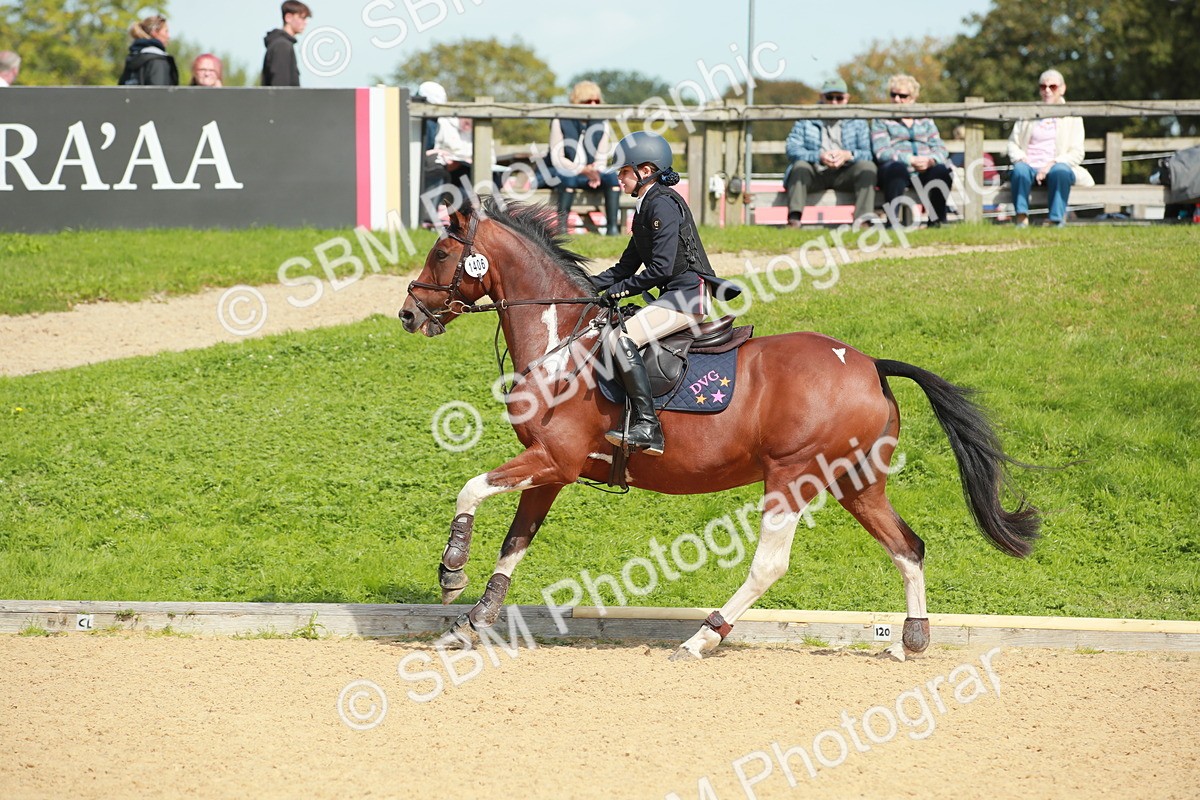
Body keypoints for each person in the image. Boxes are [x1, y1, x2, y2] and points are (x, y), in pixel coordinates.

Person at [590, 131, 737, 456]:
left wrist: (616, 293)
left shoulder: (664, 205)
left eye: (624, 172)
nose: (619, 179)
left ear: (645, 170)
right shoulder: (645, 208)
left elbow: (658, 269)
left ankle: (647, 426)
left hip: (688, 296)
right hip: (674, 294)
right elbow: (625, 267)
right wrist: (587, 286)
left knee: (620, 339)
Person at [782, 77, 877, 226]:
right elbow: (792, 149)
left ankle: (863, 221)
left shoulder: (858, 120)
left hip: (846, 173)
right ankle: (794, 219)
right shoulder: (806, 118)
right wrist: (818, 156)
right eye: (829, 97)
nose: (834, 102)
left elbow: (868, 153)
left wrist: (847, 155)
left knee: (867, 167)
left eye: (839, 98)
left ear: (847, 98)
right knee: (800, 166)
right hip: (815, 172)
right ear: (821, 97)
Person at [1006, 69, 1094, 228]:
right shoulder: (1029, 114)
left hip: (1056, 167)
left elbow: (1077, 152)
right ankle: (1021, 218)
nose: (1047, 90)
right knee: (1019, 170)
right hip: (1029, 166)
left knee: (1060, 170)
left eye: (1052, 87)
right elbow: (1013, 143)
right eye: (1043, 86)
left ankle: (1056, 219)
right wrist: (1021, 157)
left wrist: (1052, 163)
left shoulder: (1072, 116)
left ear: (1062, 89)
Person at [871, 74, 953, 226]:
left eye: (902, 96)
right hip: (895, 169)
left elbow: (940, 147)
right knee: (896, 169)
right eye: (893, 95)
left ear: (913, 97)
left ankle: (938, 221)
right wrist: (909, 159)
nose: (897, 99)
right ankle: (893, 222)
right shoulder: (882, 118)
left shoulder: (925, 118)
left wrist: (931, 160)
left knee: (941, 171)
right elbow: (881, 151)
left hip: (924, 168)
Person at [547, 81, 622, 235]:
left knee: (612, 178)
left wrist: (595, 171)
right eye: (589, 101)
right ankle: (562, 228)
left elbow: (601, 157)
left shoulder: (602, 122)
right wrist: (581, 169)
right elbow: (557, 158)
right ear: (578, 101)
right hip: (563, 172)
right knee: (568, 178)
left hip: (591, 173)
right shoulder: (560, 120)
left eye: (597, 101)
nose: (594, 104)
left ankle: (612, 228)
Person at [418, 80, 473, 224]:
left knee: (468, 173)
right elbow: (430, 147)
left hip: (451, 162)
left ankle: (465, 216)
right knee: (437, 168)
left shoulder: (435, 120)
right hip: (433, 161)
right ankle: (428, 216)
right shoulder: (433, 121)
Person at [118, 16, 178, 86]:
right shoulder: (158, 61)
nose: (168, 36)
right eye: (166, 31)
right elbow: (159, 94)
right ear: (154, 32)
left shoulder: (132, 59)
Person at [262, 1, 310, 87]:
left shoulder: (282, 44)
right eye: (301, 18)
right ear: (288, 18)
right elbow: (280, 88)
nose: (305, 22)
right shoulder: (282, 46)